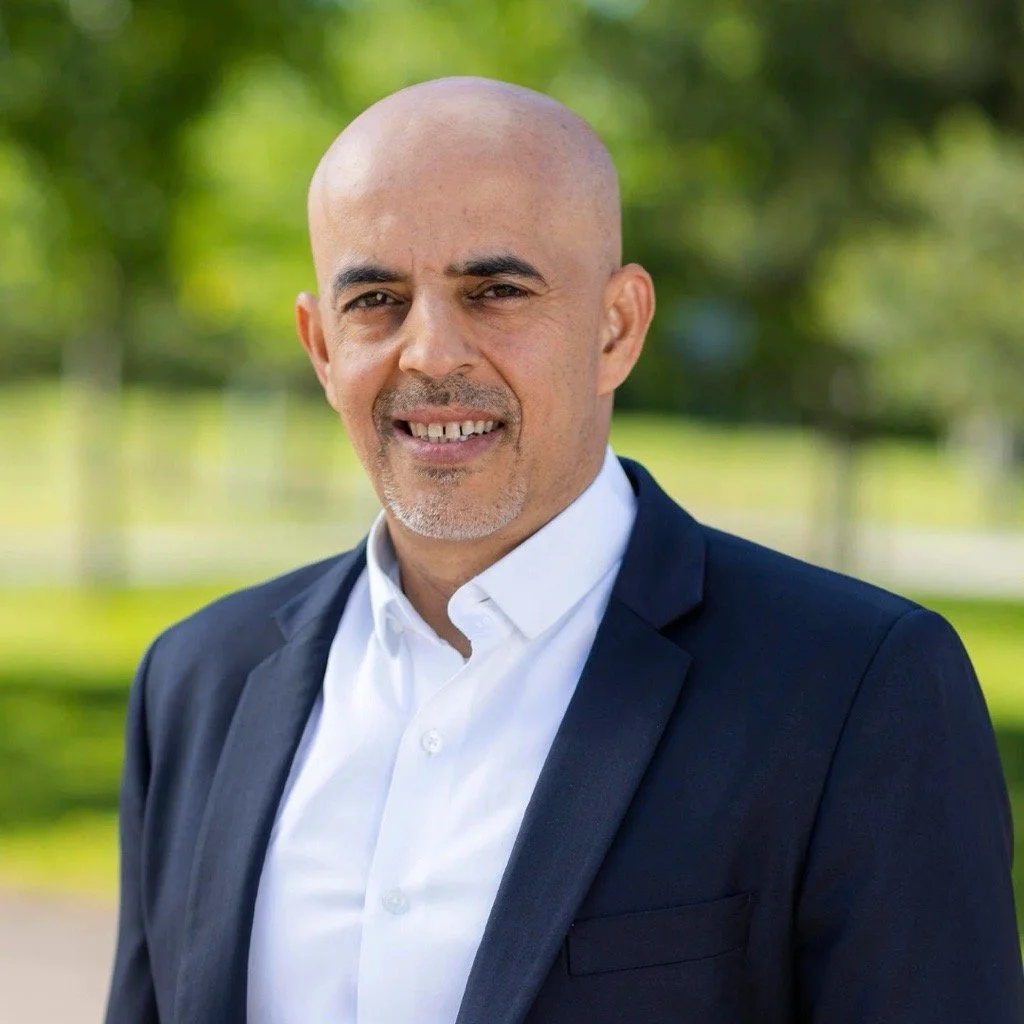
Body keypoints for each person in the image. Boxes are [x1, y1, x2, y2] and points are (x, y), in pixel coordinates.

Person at [105, 77, 1023, 1024]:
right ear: (321, 347)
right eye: (376, 298)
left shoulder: (855, 691)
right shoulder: (196, 682)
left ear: (617, 328)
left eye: (496, 291)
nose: (431, 354)